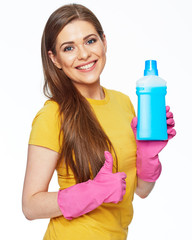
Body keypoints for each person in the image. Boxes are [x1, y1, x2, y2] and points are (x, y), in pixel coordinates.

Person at [22, 3, 176, 240]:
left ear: (104, 41)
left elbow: (141, 190)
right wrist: (92, 192)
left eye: (90, 41)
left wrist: (148, 154)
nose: (83, 54)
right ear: (54, 59)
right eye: (69, 48)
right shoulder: (53, 115)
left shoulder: (123, 103)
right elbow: (30, 206)